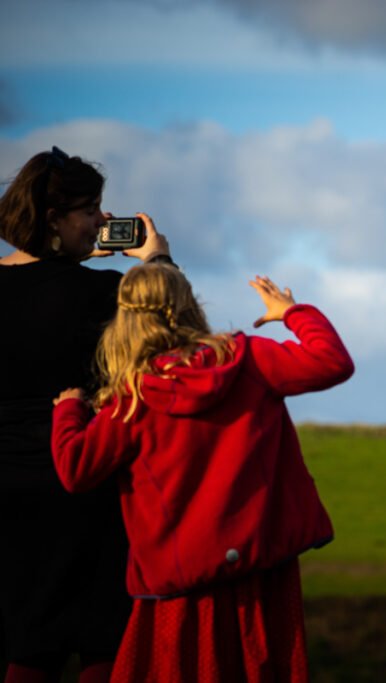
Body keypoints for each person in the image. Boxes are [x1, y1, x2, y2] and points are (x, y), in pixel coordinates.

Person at [50, 263, 355, 680]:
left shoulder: (132, 401)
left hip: (182, 585)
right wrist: (292, 312)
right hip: (263, 569)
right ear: (190, 305)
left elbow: (75, 469)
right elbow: (332, 362)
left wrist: (68, 410)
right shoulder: (247, 358)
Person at [0, 146, 170, 682]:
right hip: (83, 482)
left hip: (6, 491)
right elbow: (170, 339)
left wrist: (69, 260)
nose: (103, 221)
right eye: (91, 211)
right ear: (54, 219)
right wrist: (156, 261)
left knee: (26, 645)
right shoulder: (105, 292)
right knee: (104, 644)